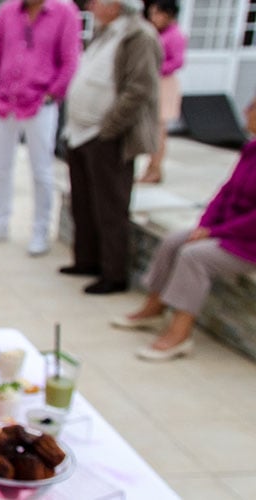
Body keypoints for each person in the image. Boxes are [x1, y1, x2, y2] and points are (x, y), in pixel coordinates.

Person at [112, 96, 256, 360]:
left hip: (247, 242)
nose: (245, 111)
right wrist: (204, 225)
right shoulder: (251, 149)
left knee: (194, 257)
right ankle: (153, 309)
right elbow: (225, 191)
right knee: (174, 241)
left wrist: (214, 233)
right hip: (225, 230)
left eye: (252, 107)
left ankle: (180, 333)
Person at [61, 0, 162, 294]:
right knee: (82, 202)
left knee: (110, 206)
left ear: (117, 5)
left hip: (106, 135)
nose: (91, 4)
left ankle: (114, 273)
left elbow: (140, 88)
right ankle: (87, 260)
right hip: (80, 131)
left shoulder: (140, 35)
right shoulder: (105, 32)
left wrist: (110, 128)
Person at [0, 0, 82, 256]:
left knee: (41, 170)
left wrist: (51, 94)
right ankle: (0, 222)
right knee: (1, 166)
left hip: (39, 103)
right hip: (3, 101)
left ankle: (39, 230)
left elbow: (70, 60)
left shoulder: (65, 12)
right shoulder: (7, 10)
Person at [139, 0, 187, 184]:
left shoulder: (175, 35)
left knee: (159, 130)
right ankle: (151, 168)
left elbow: (178, 61)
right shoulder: (158, 32)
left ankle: (155, 169)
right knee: (152, 128)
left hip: (164, 84)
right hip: (155, 81)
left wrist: (155, 68)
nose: (153, 18)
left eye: (156, 14)